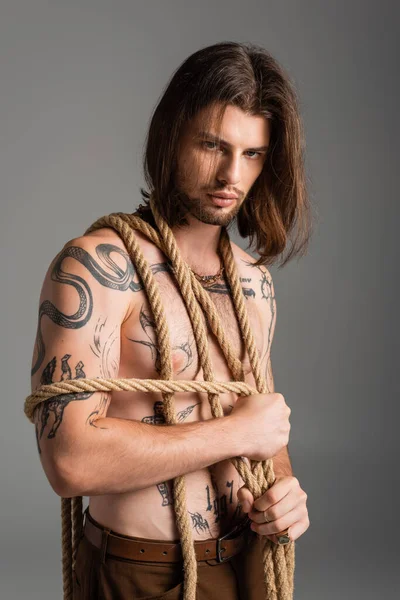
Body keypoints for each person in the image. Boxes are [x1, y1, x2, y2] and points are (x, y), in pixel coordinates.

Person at [31, 41, 311, 599]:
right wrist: (235, 432)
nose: (232, 173)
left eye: (252, 154)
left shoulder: (254, 281)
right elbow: (70, 461)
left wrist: (286, 490)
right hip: (143, 573)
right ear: (171, 136)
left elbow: (262, 424)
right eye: (213, 145)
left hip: (248, 563)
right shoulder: (97, 269)